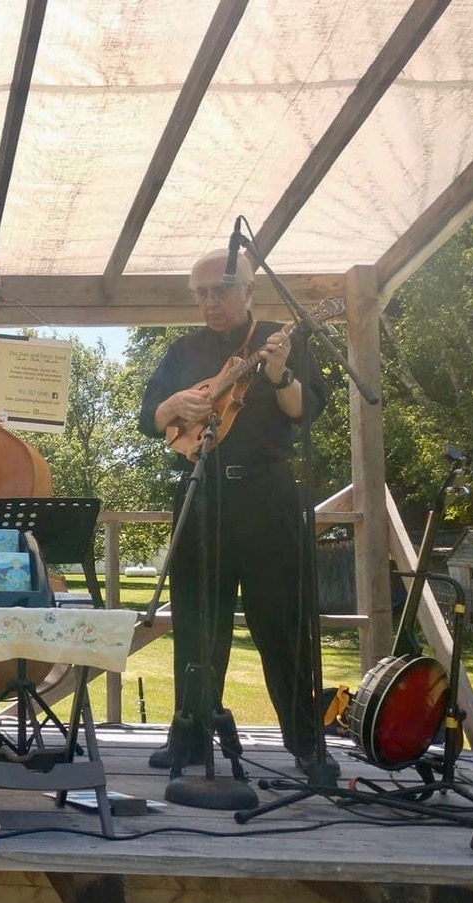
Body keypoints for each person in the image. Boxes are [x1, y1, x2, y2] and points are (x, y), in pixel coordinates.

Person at [138, 248, 334, 773]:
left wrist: (279, 375)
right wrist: (174, 405)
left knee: (283, 621)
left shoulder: (281, 337)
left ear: (249, 290)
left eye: (219, 290)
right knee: (199, 624)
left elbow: (307, 409)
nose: (209, 302)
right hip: (200, 496)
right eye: (199, 293)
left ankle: (307, 742)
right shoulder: (183, 350)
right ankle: (190, 738)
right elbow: (149, 417)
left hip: (268, 497)